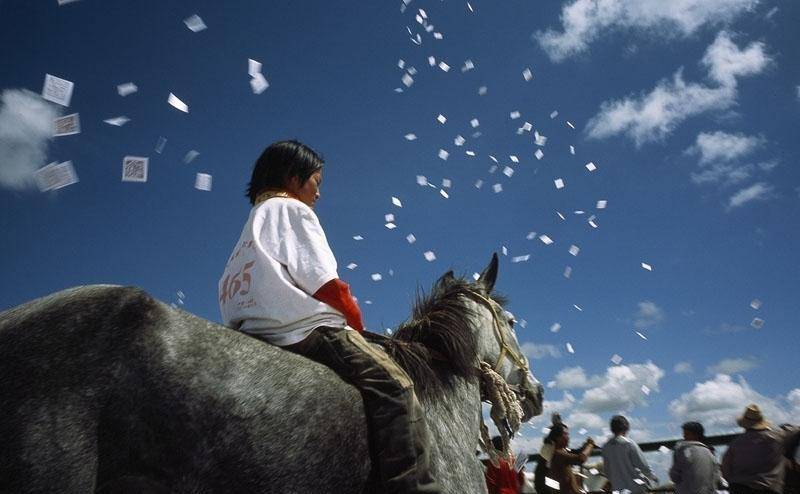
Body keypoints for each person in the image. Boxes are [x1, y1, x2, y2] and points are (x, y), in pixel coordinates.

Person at [218, 140, 439, 494]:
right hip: (306, 331)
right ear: (293, 178)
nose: (318, 193)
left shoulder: (252, 226)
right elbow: (327, 285)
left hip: (253, 334)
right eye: (316, 182)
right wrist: (356, 323)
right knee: (397, 387)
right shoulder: (293, 211)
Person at [722, 404, 789, 494]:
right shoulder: (779, 437)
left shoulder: (735, 443)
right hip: (768, 489)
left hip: (739, 488)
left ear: (745, 424)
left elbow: (725, 469)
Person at [602, 415, 657, 494]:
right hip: (635, 489)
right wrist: (653, 477)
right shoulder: (629, 443)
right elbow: (642, 465)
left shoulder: (606, 447)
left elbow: (607, 471)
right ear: (626, 428)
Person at [669, 421, 720, 494]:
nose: (684, 437)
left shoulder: (683, 450)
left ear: (696, 435)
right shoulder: (710, 453)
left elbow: (674, 477)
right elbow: (716, 476)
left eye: (686, 434)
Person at [546, 423, 595, 494]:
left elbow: (576, 453)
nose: (568, 437)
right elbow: (581, 458)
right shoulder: (558, 454)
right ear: (558, 437)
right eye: (566, 434)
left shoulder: (560, 451)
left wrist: (585, 447)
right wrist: (590, 446)